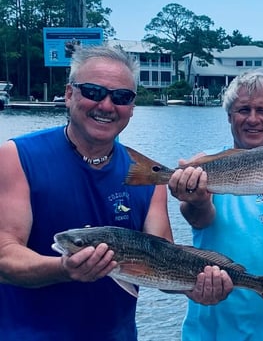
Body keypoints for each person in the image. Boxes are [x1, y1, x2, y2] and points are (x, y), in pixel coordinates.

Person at [0, 45, 217, 341]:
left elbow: (163, 263)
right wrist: (63, 268)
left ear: (131, 107)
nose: (106, 105)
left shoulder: (148, 176)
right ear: (68, 94)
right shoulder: (16, 156)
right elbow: (5, 255)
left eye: (121, 97)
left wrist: (198, 285)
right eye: (93, 91)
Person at [167, 71, 263, 341]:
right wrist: (197, 199)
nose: (252, 119)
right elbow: (198, 218)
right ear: (228, 116)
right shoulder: (204, 166)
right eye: (243, 110)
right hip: (214, 330)